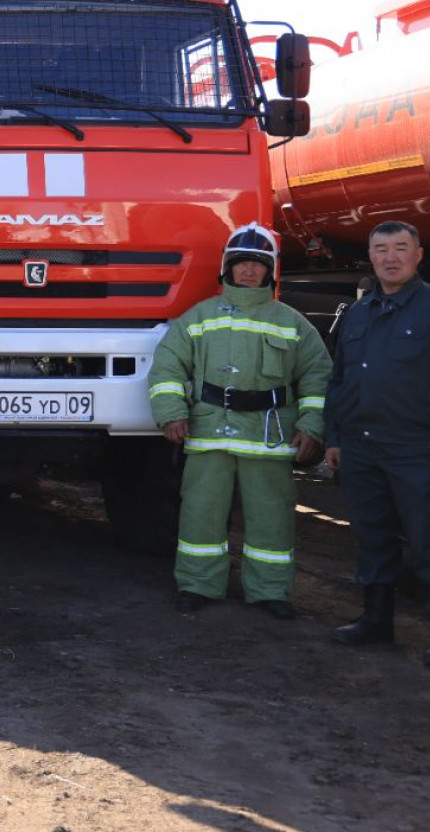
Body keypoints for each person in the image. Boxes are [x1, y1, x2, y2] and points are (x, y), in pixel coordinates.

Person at [326, 220, 430, 669]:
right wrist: (335, 439)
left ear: (418, 255)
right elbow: (339, 381)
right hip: (361, 446)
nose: (390, 257)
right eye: (381, 249)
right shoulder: (358, 313)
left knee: (429, 539)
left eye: (401, 247)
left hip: (415, 447)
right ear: (371, 256)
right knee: (372, 535)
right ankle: (377, 621)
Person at [147, 222, 331, 618]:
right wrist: (172, 412)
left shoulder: (293, 323)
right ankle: (197, 585)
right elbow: (167, 367)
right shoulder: (199, 317)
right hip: (208, 432)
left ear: (271, 271)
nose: (249, 271)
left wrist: (311, 425)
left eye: (258, 264)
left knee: (273, 517)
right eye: (240, 263)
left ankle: (270, 592)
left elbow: (318, 378)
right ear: (227, 268)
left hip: (268, 437)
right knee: (200, 512)